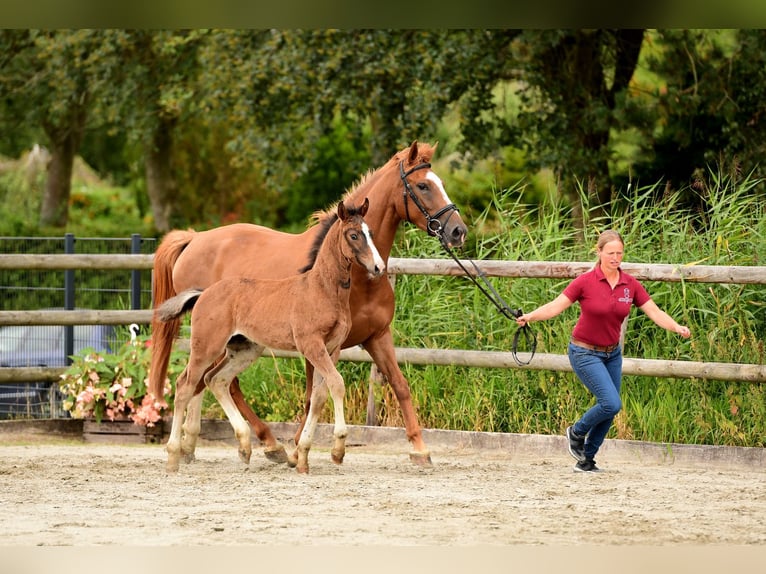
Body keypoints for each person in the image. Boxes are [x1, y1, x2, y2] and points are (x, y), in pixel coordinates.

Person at [515, 229, 691, 472]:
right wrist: (530, 317)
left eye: (619, 253)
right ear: (599, 252)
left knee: (610, 409)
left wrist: (676, 327)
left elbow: (654, 311)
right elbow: (557, 306)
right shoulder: (585, 282)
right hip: (584, 352)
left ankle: (586, 459)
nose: (615, 258)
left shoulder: (630, 284)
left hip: (612, 354)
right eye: (610, 253)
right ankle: (575, 432)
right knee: (611, 402)